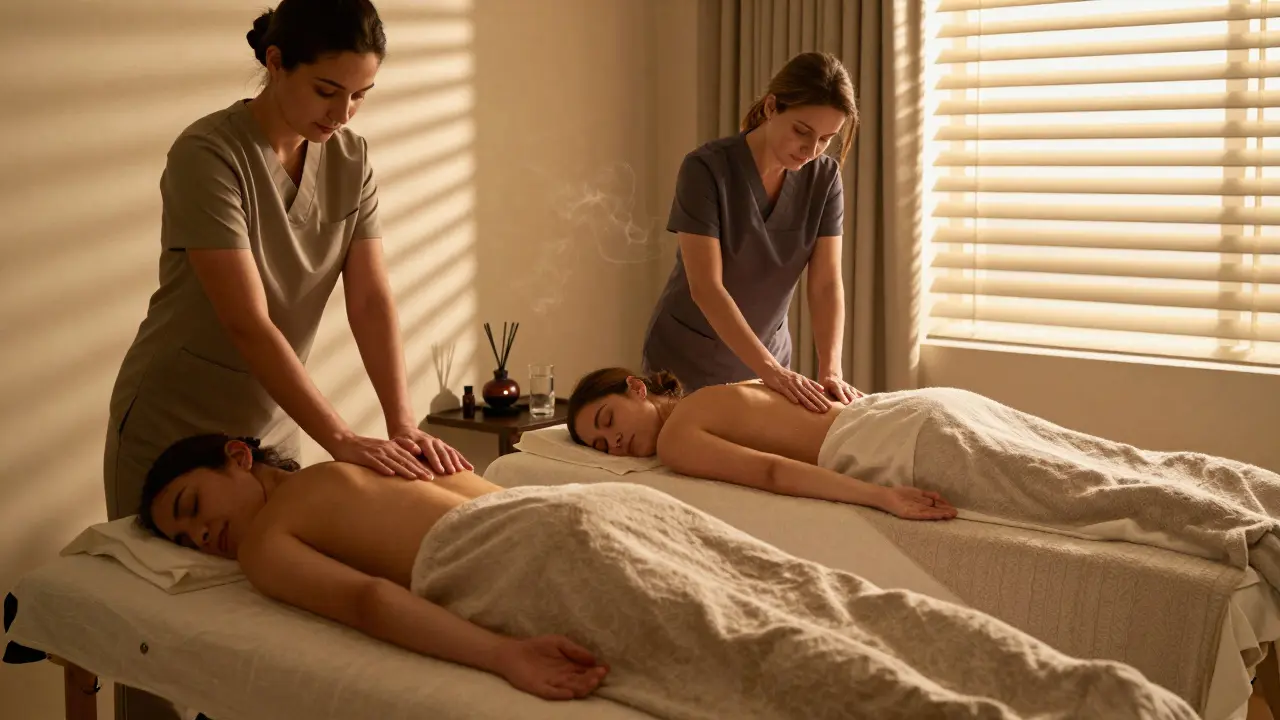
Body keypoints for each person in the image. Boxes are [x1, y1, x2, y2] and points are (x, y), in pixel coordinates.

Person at [135, 433, 1197, 720]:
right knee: (832, 600)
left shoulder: (275, 533)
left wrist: (503, 655)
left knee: (762, 651)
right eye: (183, 540)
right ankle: (1105, 698)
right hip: (590, 511)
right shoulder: (366, 454)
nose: (203, 540)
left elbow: (372, 600)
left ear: (236, 455)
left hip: (534, 548)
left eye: (190, 509)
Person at [104, 3, 470, 716]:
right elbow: (247, 322)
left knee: (273, 635)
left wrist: (401, 422)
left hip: (268, 424)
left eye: (361, 95)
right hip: (172, 419)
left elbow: (371, 301)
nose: (343, 113)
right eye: (327, 90)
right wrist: (340, 436)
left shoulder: (350, 161)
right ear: (275, 64)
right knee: (162, 642)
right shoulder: (208, 155)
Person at [566, 368, 1280, 588]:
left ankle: (1250, 535)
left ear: (636, 388)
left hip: (904, 442)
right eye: (599, 444)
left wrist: (881, 495)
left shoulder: (681, 437)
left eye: (607, 419)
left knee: (1085, 495)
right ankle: (1256, 494)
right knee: (1112, 460)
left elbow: (777, 474)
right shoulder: (724, 386)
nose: (613, 442)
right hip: (918, 408)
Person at [642, 51, 862, 412]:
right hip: (686, 362)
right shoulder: (706, 169)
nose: (811, 150)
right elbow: (706, 287)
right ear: (772, 107)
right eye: (801, 131)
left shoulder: (824, 179)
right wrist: (771, 371)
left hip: (768, 362)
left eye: (826, 139)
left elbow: (825, 283)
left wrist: (831, 371)